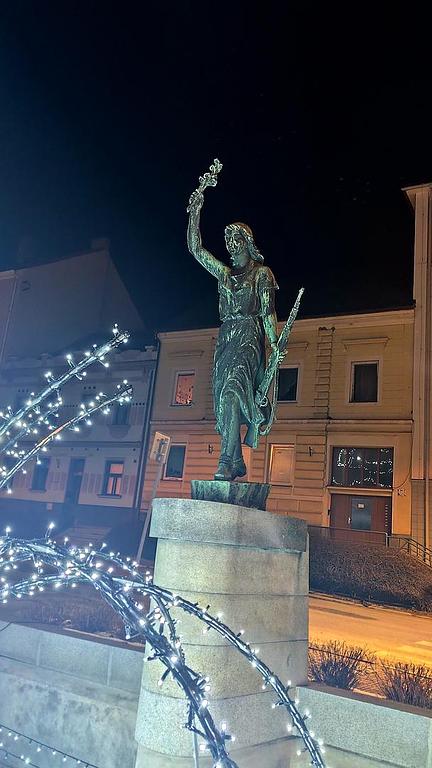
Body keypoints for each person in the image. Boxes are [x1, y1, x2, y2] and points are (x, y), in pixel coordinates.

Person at [187, 188, 282, 481]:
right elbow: (196, 250)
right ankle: (237, 460)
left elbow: (267, 311)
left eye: (235, 238)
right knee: (222, 402)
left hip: (249, 337)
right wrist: (195, 212)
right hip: (226, 338)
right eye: (227, 239)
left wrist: (275, 342)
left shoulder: (261, 273)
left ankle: (226, 461)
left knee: (231, 393)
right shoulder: (225, 274)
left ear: (247, 242)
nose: (230, 244)